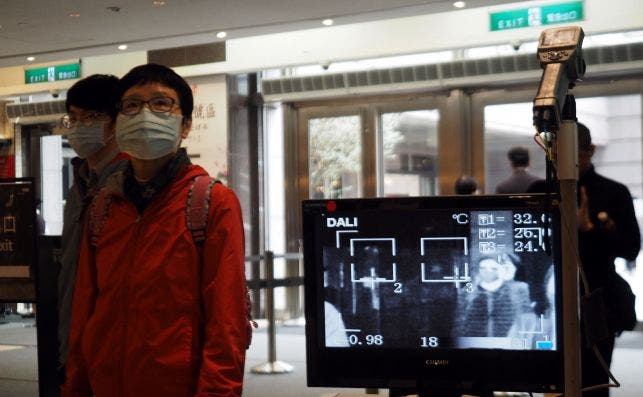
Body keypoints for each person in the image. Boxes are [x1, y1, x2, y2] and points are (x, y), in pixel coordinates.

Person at [62, 64, 248, 396]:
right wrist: (75, 386)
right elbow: (84, 313)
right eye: (132, 106)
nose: (144, 114)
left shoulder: (212, 203)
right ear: (118, 122)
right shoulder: (103, 207)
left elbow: (227, 322)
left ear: (186, 124)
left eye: (161, 104)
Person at [529, 123, 640, 397]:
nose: (559, 161)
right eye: (553, 153)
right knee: (550, 381)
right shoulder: (540, 189)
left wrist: (590, 230)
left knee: (594, 380)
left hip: (598, 300)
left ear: (589, 151)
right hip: (549, 300)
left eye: (569, 153)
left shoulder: (613, 192)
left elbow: (631, 249)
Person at [58, 74, 128, 379]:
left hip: (114, 345)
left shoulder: (132, 182)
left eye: (91, 117)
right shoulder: (82, 181)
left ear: (115, 123)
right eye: (73, 118)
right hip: (75, 332)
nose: (78, 126)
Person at [455, 256, 536, 341]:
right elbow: (459, 325)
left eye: (493, 268)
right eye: (483, 268)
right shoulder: (466, 293)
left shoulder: (518, 290)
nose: (488, 272)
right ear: (478, 270)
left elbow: (527, 322)